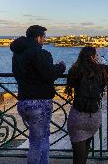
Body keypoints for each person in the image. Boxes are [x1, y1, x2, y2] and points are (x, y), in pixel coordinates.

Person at [10, 25, 66, 164]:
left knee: (41, 138)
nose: (45, 41)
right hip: (39, 103)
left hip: (23, 101)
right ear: (38, 37)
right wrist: (61, 67)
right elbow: (49, 74)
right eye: (44, 37)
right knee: (37, 142)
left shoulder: (17, 54)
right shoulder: (41, 53)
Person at [65, 47, 108, 164]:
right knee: (86, 148)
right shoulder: (102, 70)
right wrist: (103, 65)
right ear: (94, 57)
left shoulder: (75, 70)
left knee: (78, 156)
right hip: (94, 117)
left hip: (78, 115)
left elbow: (71, 83)